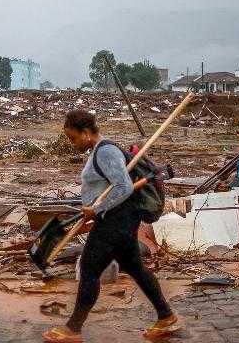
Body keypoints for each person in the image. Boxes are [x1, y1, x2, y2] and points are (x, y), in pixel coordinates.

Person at [42, 109, 179, 343]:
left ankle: (73, 329)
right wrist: (91, 209)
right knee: (134, 267)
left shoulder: (105, 151)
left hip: (116, 220)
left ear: (86, 132)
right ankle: (165, 315)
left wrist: (97, 209)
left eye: (73, 138)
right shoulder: (98, 150)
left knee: (89, 269)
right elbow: (107, 187)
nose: (72, 144)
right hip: (118, 219)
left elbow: (123, 187)